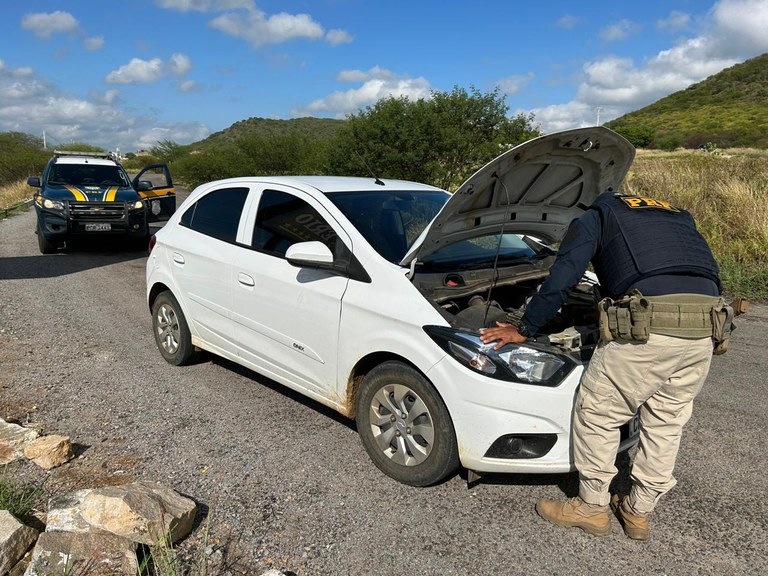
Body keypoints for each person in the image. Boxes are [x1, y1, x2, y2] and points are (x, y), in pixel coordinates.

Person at [480, 191, 724, 541]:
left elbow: (564, 277)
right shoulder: (674, 216)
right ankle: (638, 512)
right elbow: (703, 273)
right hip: (705, 327)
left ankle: (591, 508)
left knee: (599, 413)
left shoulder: (597, 215)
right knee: (667, 423)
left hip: (648, 331)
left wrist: (524, 328)